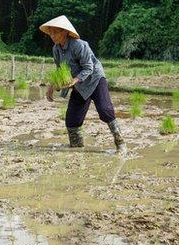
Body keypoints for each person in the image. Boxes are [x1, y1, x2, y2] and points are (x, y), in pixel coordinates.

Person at [40, 15, 126, 152]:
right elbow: (59, 70)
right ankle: (76, 147)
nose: (52, 35)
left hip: (94, 79)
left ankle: (120, 143)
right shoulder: (56, 49)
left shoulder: (79, 45)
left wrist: (74, 81)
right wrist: (52, 85)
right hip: (78, 83)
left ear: (65, 32)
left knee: (105, 111)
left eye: (55, 32)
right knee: (72, 120)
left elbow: (89, 67)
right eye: (50, 32)